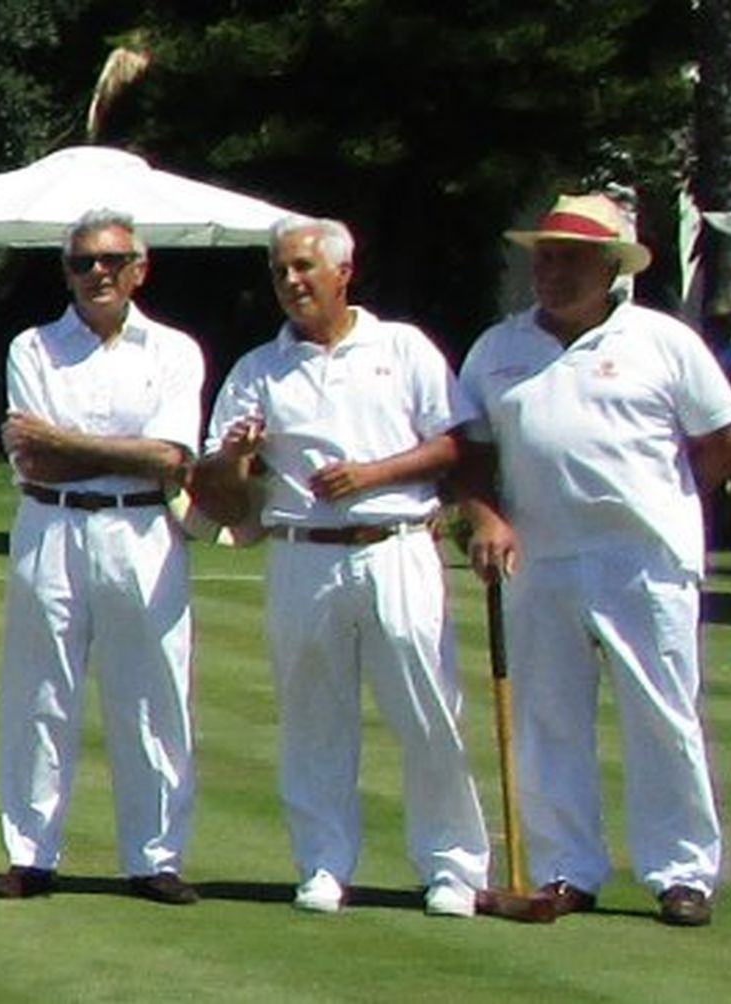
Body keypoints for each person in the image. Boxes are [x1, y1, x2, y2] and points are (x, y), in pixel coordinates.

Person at [459, 192, 731, 927]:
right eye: (545, 258)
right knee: (548, 717)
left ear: (610, 268)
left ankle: (681, 872)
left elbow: (725, 444)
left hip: (642, 560)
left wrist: (661, 503)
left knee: (661, 716)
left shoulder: (664, 342)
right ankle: (566, 869)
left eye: (570, 259)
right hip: (541, 559)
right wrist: (486, 515)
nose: (552, 272)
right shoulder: (499, 348)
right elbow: (469, 453)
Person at [193, 216, 490, 917]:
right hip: (304, 554)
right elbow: (222, 498)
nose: (291, 283)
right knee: (311, 718)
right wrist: (236, 457)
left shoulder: (402, 347)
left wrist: (372, 474)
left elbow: (453, 445)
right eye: (279, 272)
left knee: (427, 711)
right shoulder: (257, 370)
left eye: (303, 268)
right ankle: (322, 864)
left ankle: (452, 865)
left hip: (397, 545)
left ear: (342, 271)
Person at [0, 209, 204, 906]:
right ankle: (30, 853)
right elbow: (31, 455)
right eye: (84, 262)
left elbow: (171, 459)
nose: (98, 273)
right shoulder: (34, 347)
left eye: (112, 260)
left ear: (139, 268)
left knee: (151, 697)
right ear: (67, 272)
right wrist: (125, 454)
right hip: (50, 528)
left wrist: (74, 447)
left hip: (140, 534)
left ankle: (155, 856)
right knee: (40, 696)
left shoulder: (173, 350)